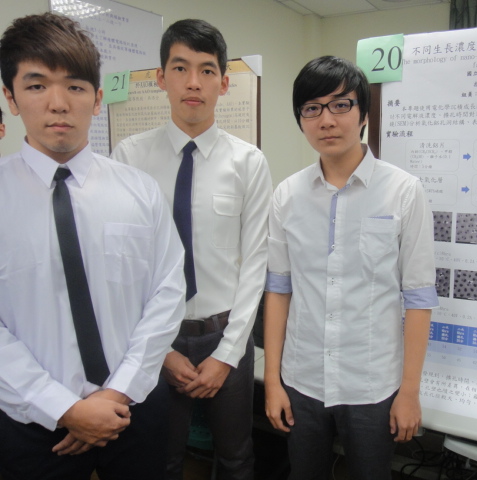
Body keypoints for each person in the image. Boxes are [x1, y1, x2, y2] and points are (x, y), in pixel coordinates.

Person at [0, 12, 186, 480]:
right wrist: (64, 408)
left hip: (135, 406)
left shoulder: (139, 190)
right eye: (37, 85)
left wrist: (116, 394)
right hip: (30, 421)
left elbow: (167, 293)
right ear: (10, 98)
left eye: (76, 86)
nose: (58, 103)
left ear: (98, 98)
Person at [263, 56, 439, 480]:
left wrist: (409, 392)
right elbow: (279, 290)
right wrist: (272, 382)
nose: (326, 120)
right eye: (312, 108)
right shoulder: (287, 195)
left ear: (363, 113)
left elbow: (418, 297)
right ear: (301, 119)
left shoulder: (403, 191)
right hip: (302, 378)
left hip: (372, 383)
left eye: (340, 105)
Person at [112, 18, 272, 480]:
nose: (193, 82)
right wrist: (161, 350)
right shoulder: (130, 158)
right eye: (180, 68)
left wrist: (227, 353)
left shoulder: (248, 162)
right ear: (161, 78)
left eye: (207, 70)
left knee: (237, 457)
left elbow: (255, 263)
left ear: (224, 82)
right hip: (153, 337)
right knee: (159, 458)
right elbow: (125, 268)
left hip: (226, 333)